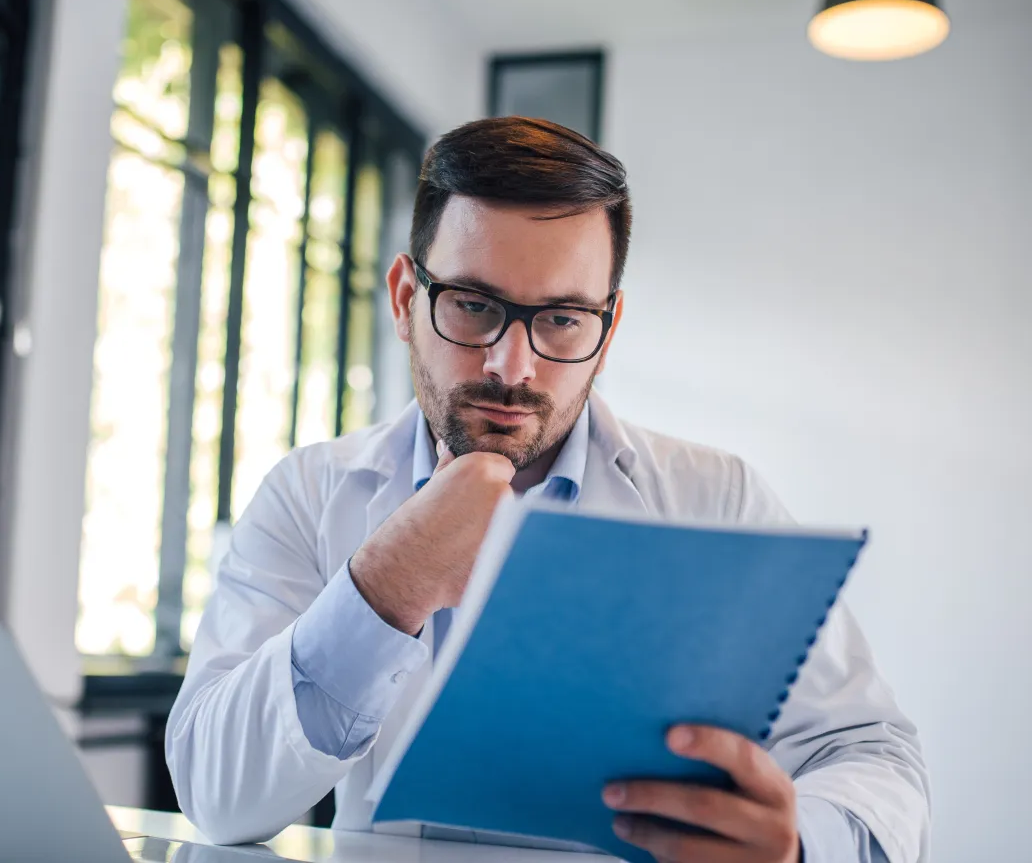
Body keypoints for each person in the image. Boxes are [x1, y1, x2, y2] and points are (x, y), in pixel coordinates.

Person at [166, 117, 930, 863]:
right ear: (405, 299)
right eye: (473, 305)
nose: (512, 366)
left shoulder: (716, 498)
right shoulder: (309, 492)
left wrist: (798, 845)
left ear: (609, 324)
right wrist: (385, 587)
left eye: (562, 319)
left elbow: (872, 754)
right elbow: (217, 797)